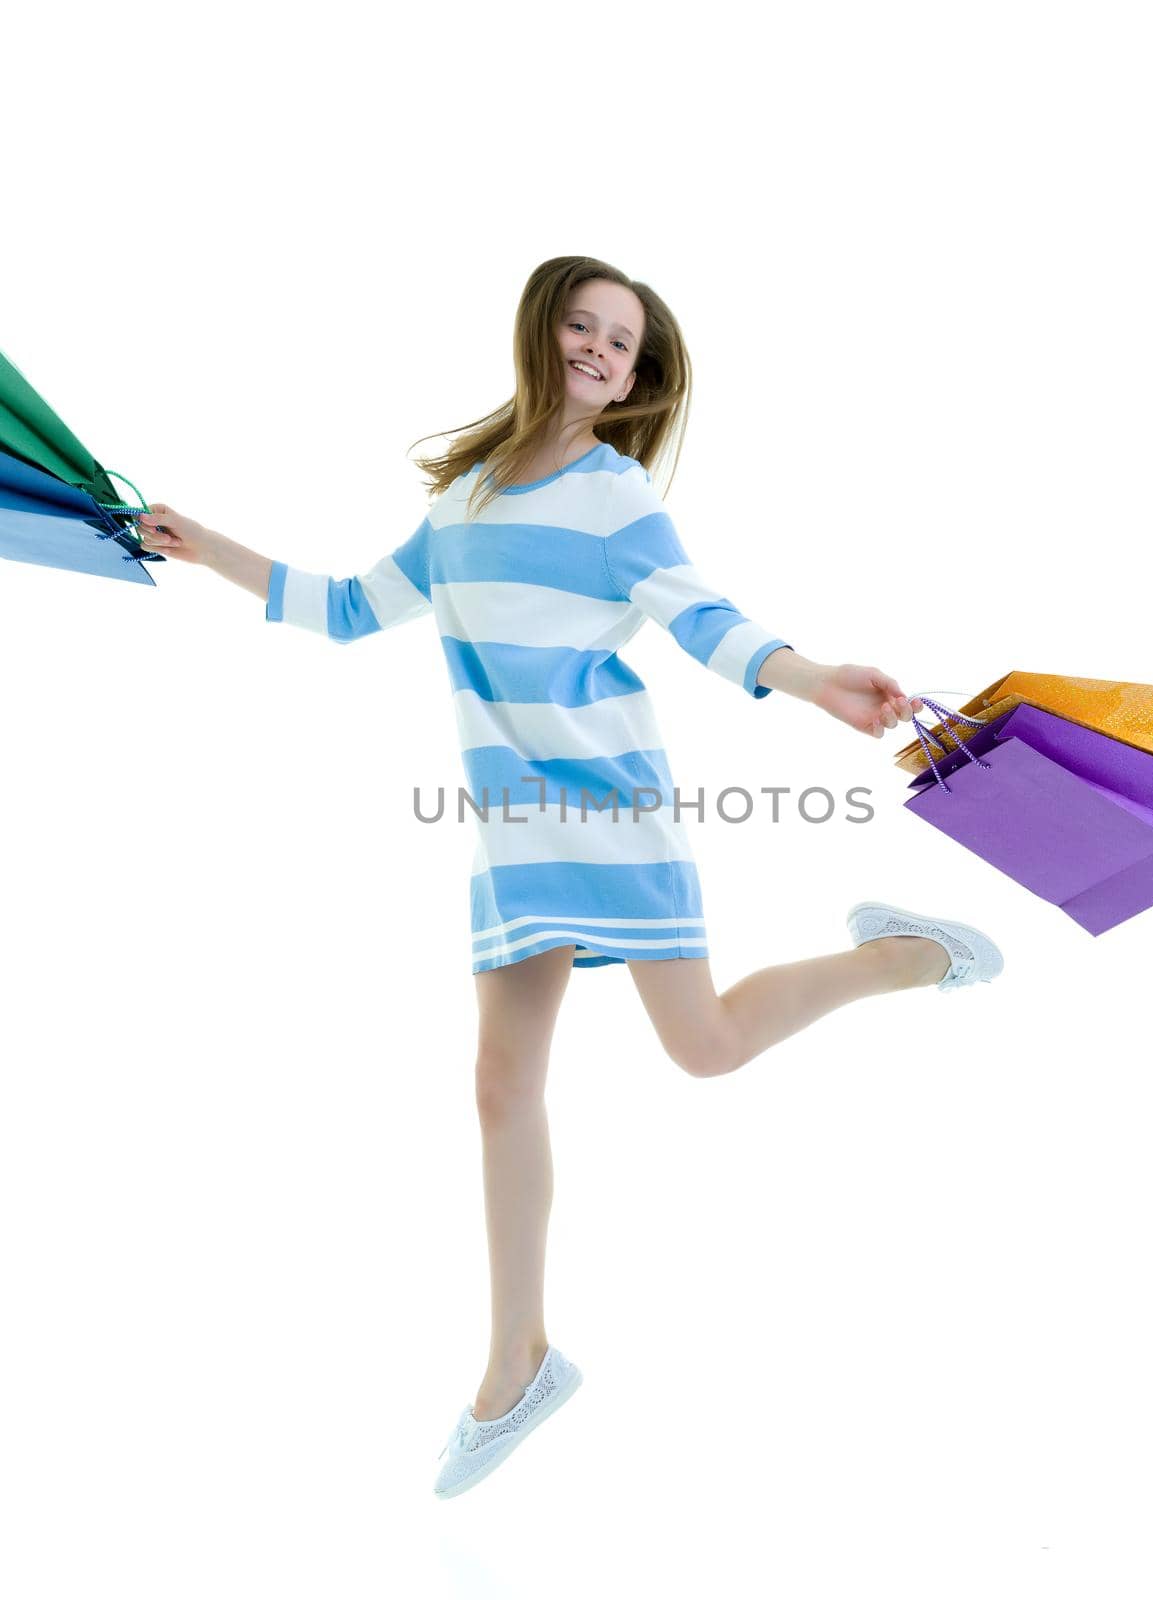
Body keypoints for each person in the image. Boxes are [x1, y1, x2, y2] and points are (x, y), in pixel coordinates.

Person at [134, 255, 1003, 1498]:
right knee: (499, 1085)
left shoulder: (617, 500)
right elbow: (341, 611)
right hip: (511, 829)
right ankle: (516, 1364)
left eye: (625, 342)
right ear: (542, 335)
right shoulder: (465, 500)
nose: (601, 348)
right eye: (584, 326)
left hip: (613, 812)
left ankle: (902, 954)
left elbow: (705, 620)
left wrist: (812, 678)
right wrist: (206, 545)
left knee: (699, 1048)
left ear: (638, 378)